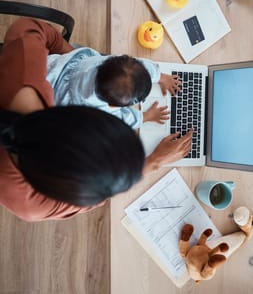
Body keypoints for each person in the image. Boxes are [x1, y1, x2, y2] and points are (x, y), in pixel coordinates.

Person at [0, 17, 193, 222]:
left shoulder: (32, 203)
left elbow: (29, 29)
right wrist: (154, 161)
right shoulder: (32, 204)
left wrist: (70, 56)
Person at [47, 46, 182, 128]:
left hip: (53, 67)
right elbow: (122, 120)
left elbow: (138, 67)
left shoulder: (111, 64)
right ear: (114, 106)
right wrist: (146, 116)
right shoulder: (100, 110)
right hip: (54, 95)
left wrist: (161, 76)